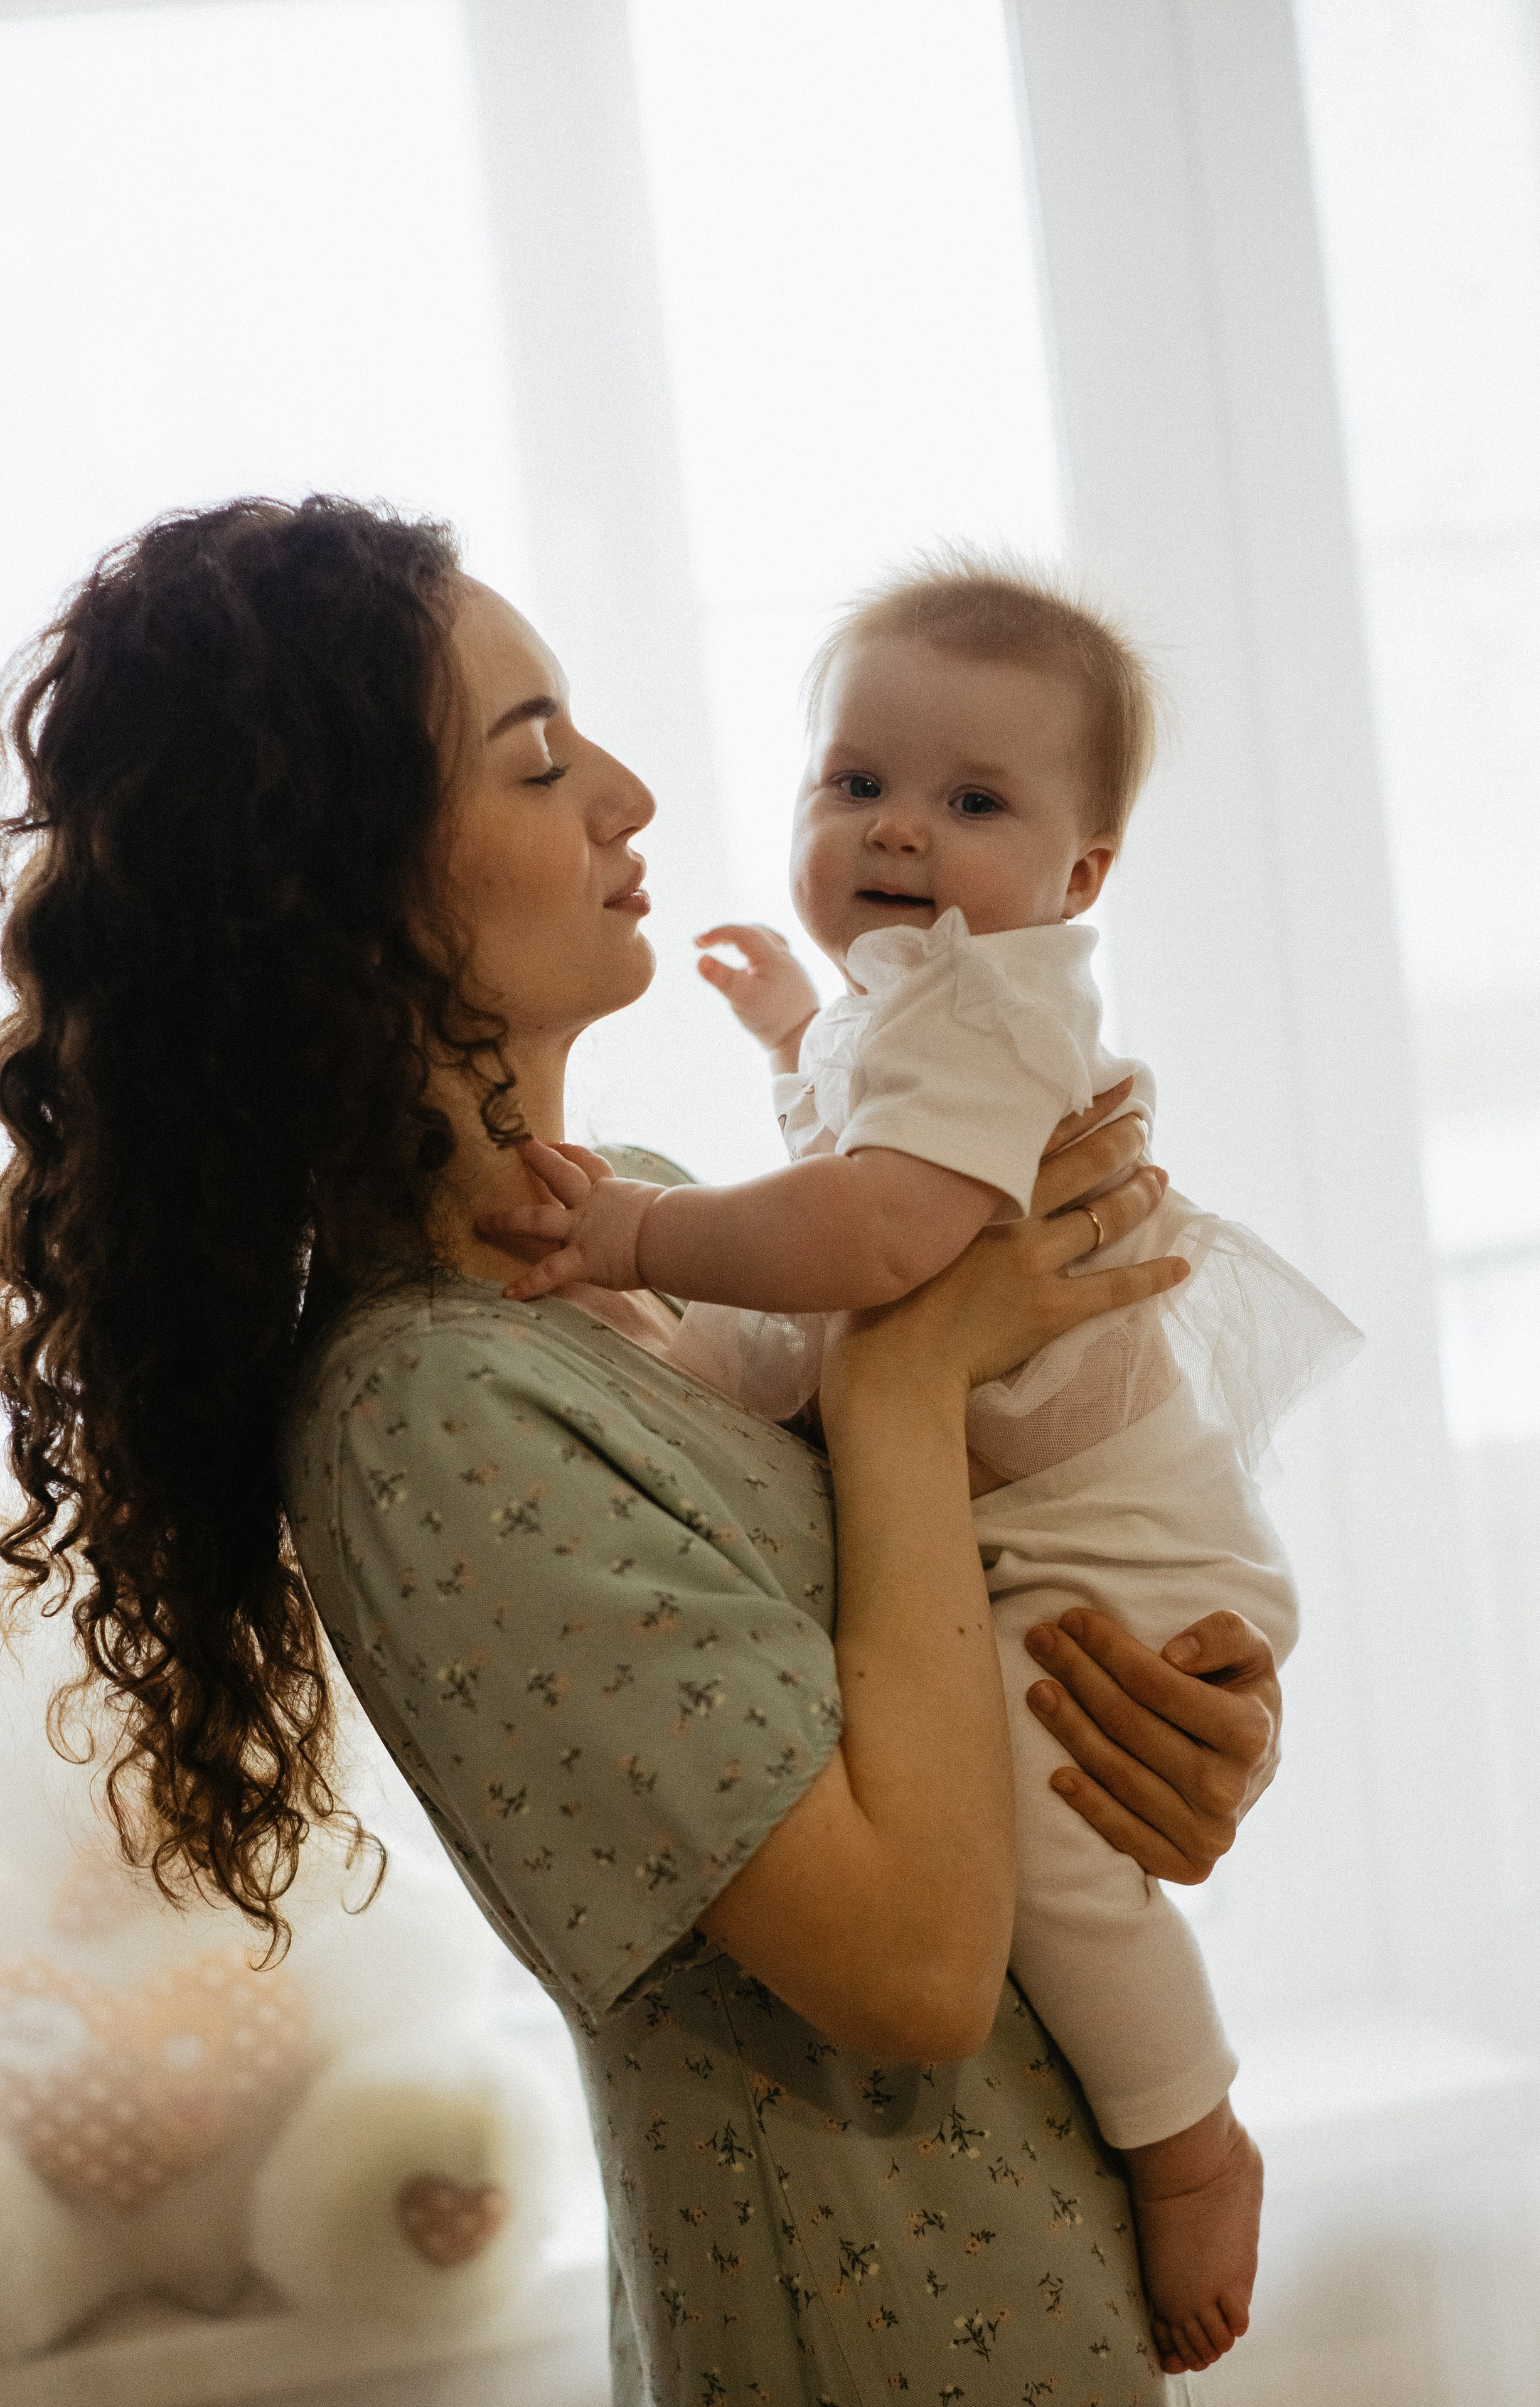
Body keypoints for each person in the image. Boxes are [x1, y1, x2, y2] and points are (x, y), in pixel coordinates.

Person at [0, 498, 1285, 2404]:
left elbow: (959, 1665)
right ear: (345, 890)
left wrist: (1160, 1718)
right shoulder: (426, 1415)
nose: (635, 794)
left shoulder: (664, 1223)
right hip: (871, 2330)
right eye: (542, 758)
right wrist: (908, 1381)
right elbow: (907, 1977)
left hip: (1042, 2270)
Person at [476, 549, 1359, 2374]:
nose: (895, 832)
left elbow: (881, 1245)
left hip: (1102, 1527)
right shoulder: (918, 1004)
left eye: (971, 801)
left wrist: (639, 1237)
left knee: (1056, 1836)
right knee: (770, 1352)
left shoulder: (997, 996)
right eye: (855, 782)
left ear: (1079, 876)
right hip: (1016, 1497)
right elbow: (882, 1199)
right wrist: (799, 1039)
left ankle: (1191, 2135)